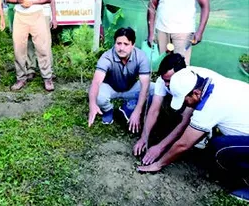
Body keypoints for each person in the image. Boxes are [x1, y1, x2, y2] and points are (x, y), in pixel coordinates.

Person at [137, 68, 249, 202]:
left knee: (220, 148)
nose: (185, 104)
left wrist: (158, 164)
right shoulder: (210, 82)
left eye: (185, 100)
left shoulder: (211, 105)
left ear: (196, 93)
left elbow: (183, 144)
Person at [133, 53, 225, 165]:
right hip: (189, 102)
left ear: (181, 75)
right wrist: (144, 137)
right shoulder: (163, 81)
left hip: (215, 106)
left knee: (194, 135)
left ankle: (205, 134)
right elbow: (154, 110)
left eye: (169, 81)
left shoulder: (193, 84)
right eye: (164, 80)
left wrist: (160, 148)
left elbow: (185, 121)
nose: (166, 85)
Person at [88, 27, 154, 133]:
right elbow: (96, 82)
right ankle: (108, 110)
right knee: (97, 96)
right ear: (114, 43)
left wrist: (138, 111)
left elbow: (145, 85)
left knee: (154, 89)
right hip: (111, 87)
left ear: (133, 45)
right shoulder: (106, 57)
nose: (121, 48)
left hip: (131, 87)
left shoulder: (141, 56)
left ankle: (129, 107)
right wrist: (92, 105)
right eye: (118, 43)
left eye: (126, 44)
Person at [5, 0, 54, 92]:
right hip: (20, 15)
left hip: (37, 14)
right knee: (19, 48)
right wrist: (17, 0)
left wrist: (32, 2)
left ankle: (47, 78)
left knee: (42, 47)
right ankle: (21, 77)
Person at [26, 0, 58, 80]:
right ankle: (30, 69)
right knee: (28, 42)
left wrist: (54, 17)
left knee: (45, 43)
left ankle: (49, 70)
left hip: (44, 14)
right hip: (27, 13)